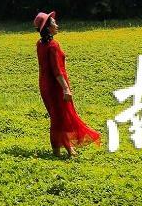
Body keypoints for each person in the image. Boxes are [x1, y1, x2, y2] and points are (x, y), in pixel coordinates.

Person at [35, 10, 100, 157]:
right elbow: (56, 70)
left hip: (45, 85)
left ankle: (68, 148)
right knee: (60, 118)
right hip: (56, 86)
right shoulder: (53, 45)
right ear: (47, 28)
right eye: (54, 23)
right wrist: (65, 89)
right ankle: (57, 151)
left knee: (58, 117)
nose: (57, 25)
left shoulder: (40, 44)